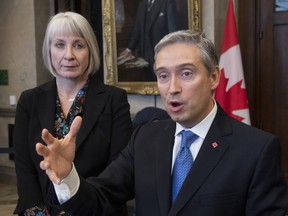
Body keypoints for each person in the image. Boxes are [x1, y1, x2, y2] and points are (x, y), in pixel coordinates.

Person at [36, 30, 288, 215]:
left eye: (186, 74)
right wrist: (67, 175)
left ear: (213, 77)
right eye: (163, 76)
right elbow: (98, 199)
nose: (172, 89)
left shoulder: (256, 150)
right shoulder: (145, 138)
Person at [13, 12, 132, 216]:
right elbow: (24, 169)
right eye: (59, 44)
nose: (69, 55)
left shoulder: (114, 100)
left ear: (91, 50)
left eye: (78, 45)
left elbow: (118, 171)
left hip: (96, 210)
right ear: (49, 50)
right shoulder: (29, 100)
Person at [118, 0, 178, 81]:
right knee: (147, 79)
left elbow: (172, 31)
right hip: (144, 53)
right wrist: (129, 49)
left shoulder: (167, 2)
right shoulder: (142, 5)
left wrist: (171, 52)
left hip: (161, 52)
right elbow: (137, 29)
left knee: (161, 79)